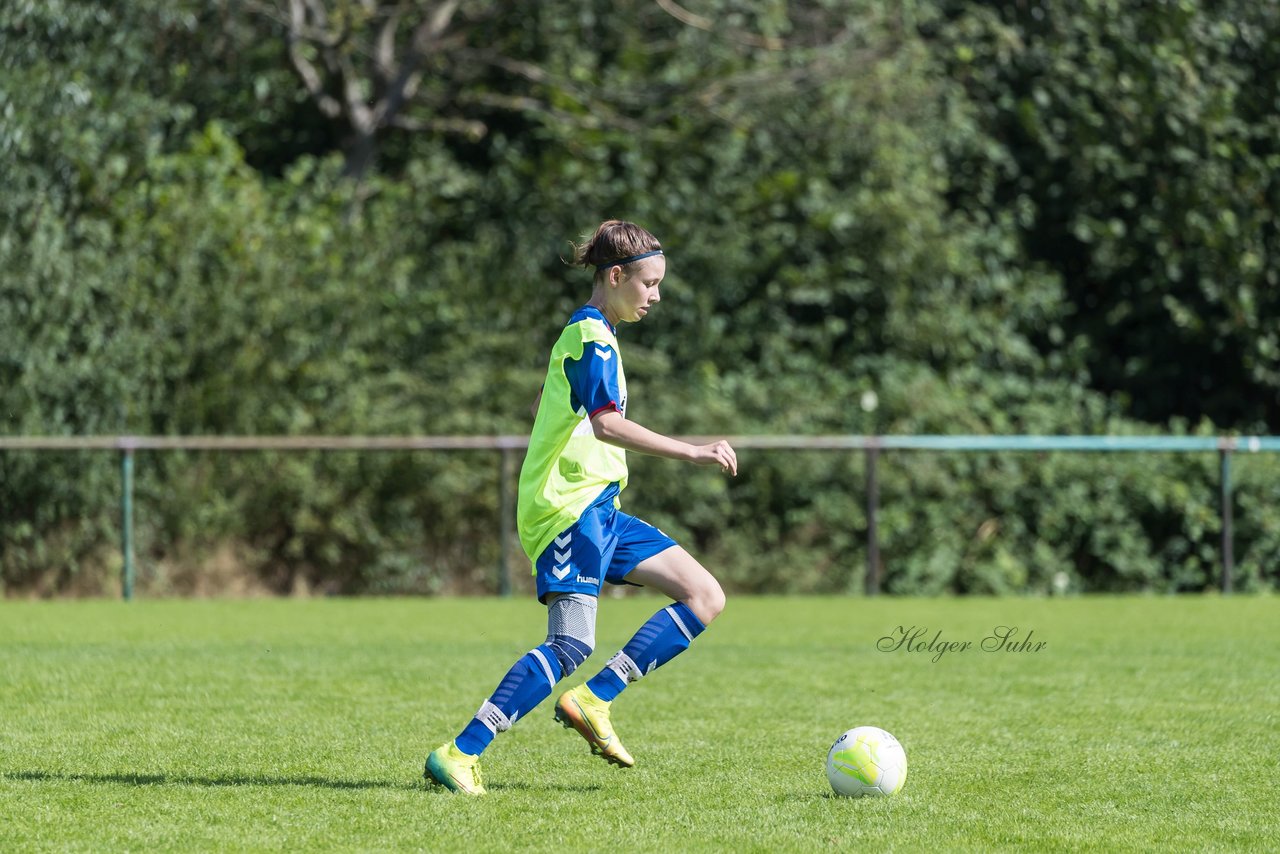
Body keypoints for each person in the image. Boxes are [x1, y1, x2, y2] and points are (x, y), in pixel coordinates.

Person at [425, 220, 738, 795]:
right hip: (567, 510)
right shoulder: (589, 336)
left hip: (602, 508)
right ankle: (458, 752)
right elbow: (607, 424)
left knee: (705, 595)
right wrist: (691, 451)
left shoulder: (603, 335)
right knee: (570, 644)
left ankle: (595, 698)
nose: (656, 296)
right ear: (615, 276)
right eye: (649, 283)